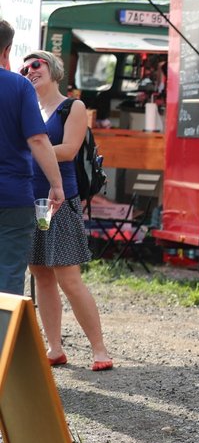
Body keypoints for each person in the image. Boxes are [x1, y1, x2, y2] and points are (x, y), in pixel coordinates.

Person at [23, 51, 112, 371]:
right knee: (41, 275)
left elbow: (70, 150)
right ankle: (55, 347)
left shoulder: (71, 106)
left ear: (54, 69)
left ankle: (99, 349)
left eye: (37, 64)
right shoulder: (28, 107)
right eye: (25, 66)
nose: (29, 70)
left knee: (68, 278)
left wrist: (30, 146)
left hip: (60, 201)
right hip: (30, 201)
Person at [0, 20, 64, 295]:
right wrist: (56, 185)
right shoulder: (19, 86)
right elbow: (38, 139)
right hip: (13, 196)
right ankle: (4, 337)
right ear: (8, 50)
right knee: (9, 272)